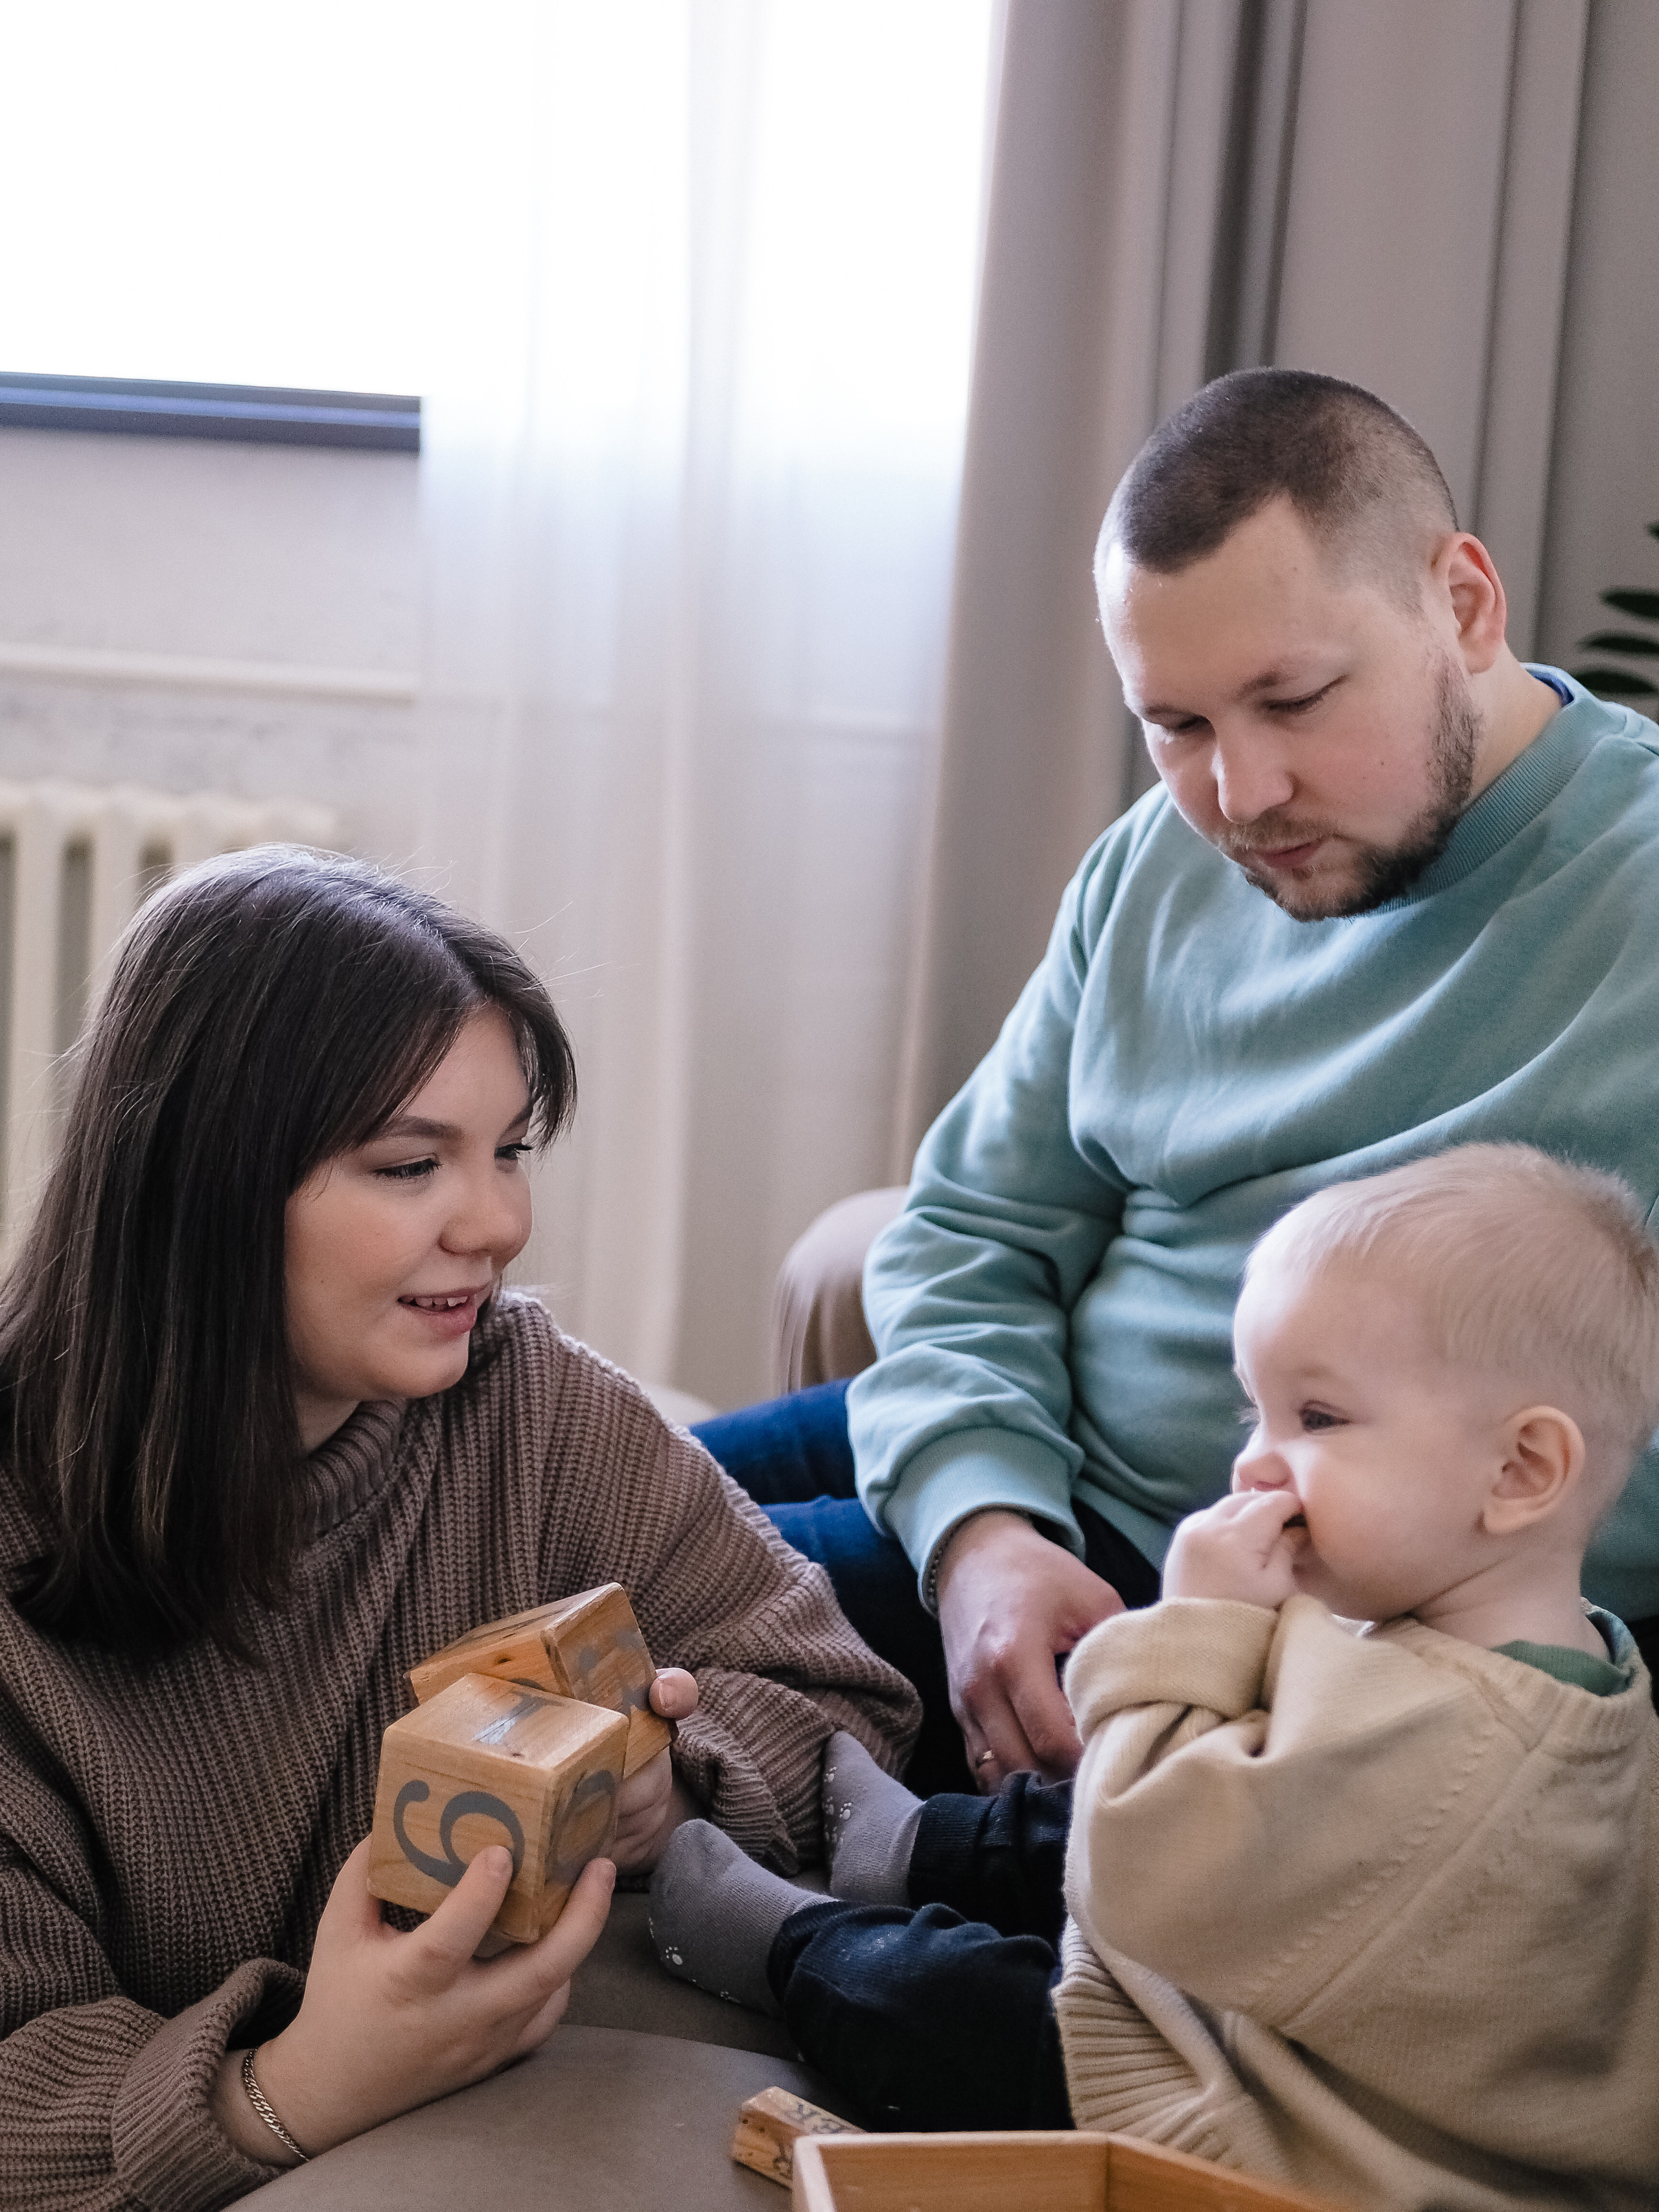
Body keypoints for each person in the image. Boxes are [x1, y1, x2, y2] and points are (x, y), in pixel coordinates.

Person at [694, 366, 1659, 1793]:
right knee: (490, 1495)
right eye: (1179, 724)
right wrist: (981, 1535)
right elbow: (974, 1234)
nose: (1239, 794)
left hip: (1268, 1621)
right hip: (1018, 1476)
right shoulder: (1158, 861)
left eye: (1293, 698)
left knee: (517, 1617)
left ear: (1460, 606)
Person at [0, 848, 919, 2209]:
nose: (495, 1222)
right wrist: (288, 2089)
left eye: (508, 1152)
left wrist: (672, 1785)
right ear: (201, 1185)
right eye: (408, 1164)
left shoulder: (529, 1398)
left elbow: (842, 1698)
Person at [655, 1146, 1659, 2209]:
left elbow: (1125, 1875)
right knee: (1081, 1809)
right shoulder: (1556, 1662)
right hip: (1276, 2006)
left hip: (1263, 2135)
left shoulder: (1446, 1756)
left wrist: (1197, 1624)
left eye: (1316, 1419)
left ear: (1519, 1471)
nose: (1253, 1465)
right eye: (1253, 1416)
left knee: (949, 2005)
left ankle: (786, 1941)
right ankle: (907, 1847)